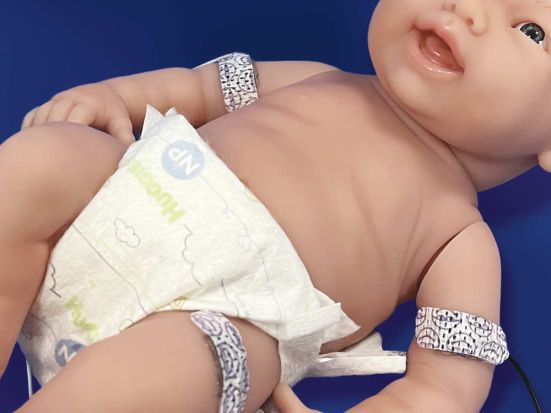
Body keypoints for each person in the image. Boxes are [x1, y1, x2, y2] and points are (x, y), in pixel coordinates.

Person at [1, 0, 547, 411]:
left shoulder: (459, 237)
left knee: (215, 360)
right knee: (43, 160)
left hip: (225, 317)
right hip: (124, 198)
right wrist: (114, 98)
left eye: (531, 30)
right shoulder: (315, 78)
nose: (468, 10)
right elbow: (196, 88)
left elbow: (444, 389)